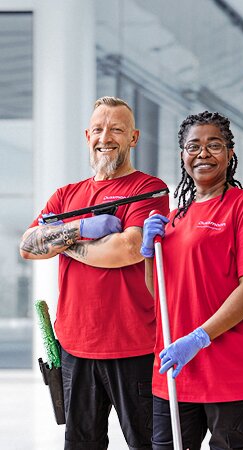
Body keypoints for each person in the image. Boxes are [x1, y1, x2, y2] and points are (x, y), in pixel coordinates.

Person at [19, 96, 169, 450]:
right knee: (81, 444)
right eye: (99, 129)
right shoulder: (66, 195)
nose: (106, 136)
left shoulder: (146, 189)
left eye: (117, 129)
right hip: (75, 347)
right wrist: (84, 227)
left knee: (147, 443)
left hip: (133, 346)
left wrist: (60, 237)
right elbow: (28, 246)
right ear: (88, 135)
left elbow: (126, 250)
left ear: (133, 137)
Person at [138, 111, 243, 449]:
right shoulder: (173, 218)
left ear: (230, 154)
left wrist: (199, 337)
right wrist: (148, 252)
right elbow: (159, 292)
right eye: (194, 146)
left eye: (214, 145)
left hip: (233, 369)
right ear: (182, 156)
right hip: (177, 369)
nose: (203, 153)